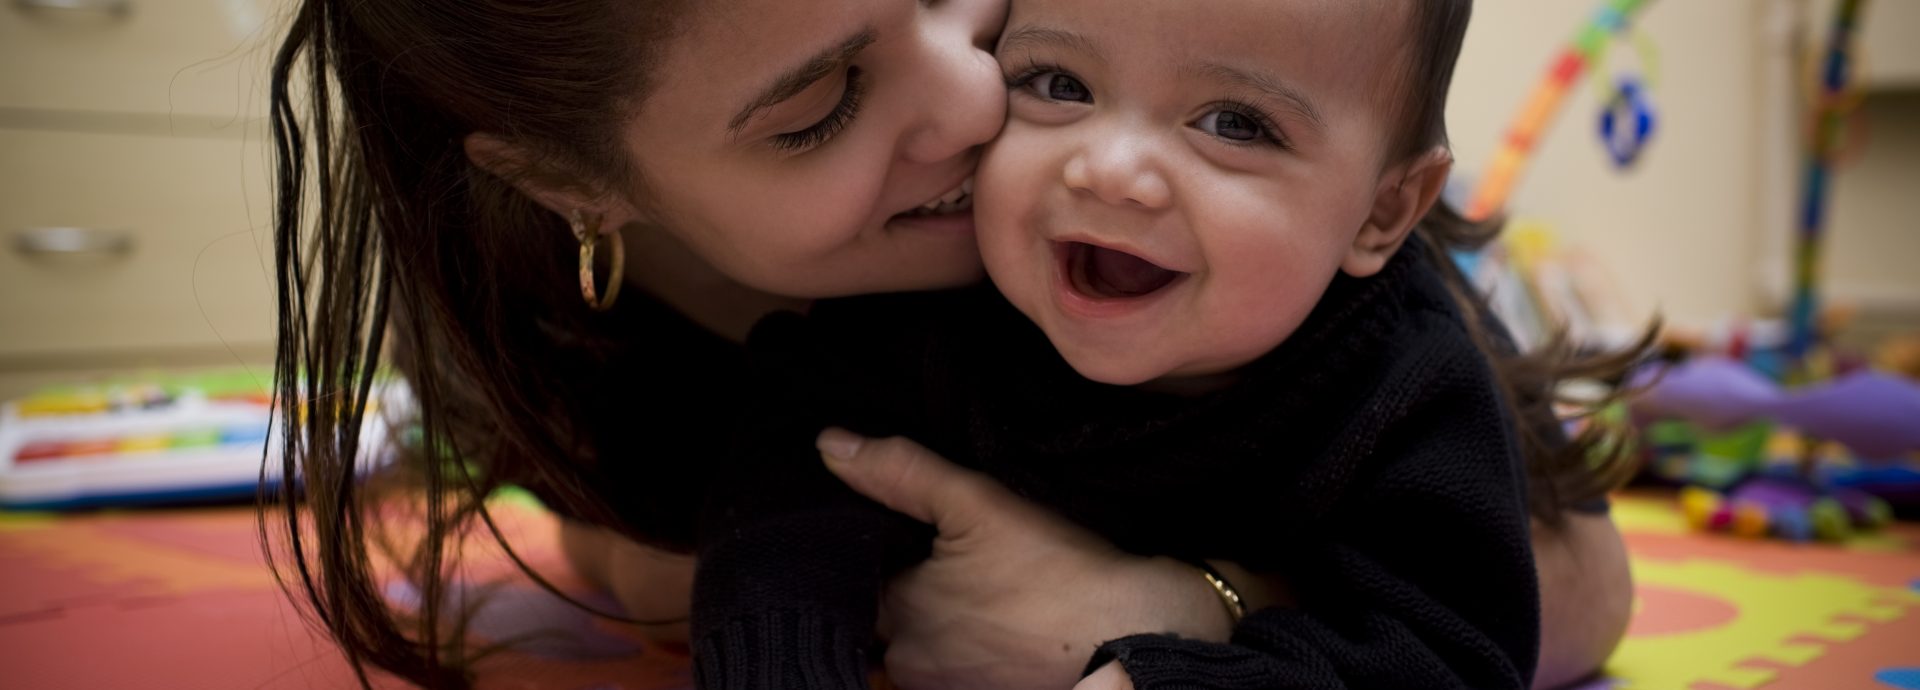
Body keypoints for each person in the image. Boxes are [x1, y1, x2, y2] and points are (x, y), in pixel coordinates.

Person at [263, 0, 1637, 687]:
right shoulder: (532, 310)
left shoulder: (1301, 257)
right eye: (817, 105)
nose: (980, 91)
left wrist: (1178, 609)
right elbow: (608, 532)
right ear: (578, 186)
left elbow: (1566, 579)